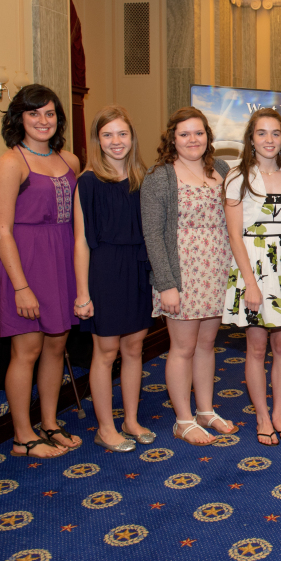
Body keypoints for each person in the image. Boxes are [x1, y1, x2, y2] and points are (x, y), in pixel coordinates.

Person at [0, 84, 82, 458]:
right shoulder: (11, 162)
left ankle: (49, 422)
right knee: (26, 350)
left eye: (49, 113)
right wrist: (21, 287)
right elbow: (1, 230)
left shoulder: (71, 161)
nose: (43, 121)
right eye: (34, 113)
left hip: (61, 259)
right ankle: (22, 436)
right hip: (26, 262)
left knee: (56, 346)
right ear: (19, 119)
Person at [141, 107, 237, 446]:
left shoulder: (221, 169)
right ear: (172, 139)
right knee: (182, 348)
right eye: (184, 134)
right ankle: (183, 419)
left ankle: (206, 410)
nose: (192, 139)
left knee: (207, 345)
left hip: (216, 268)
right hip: (181, 272)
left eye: (198, 133)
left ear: (207, 137)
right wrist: (166, 283)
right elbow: (152, 234)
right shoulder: (160, 177)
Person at [223, 108, 281, 446]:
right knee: (257, 347)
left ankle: (279, 414)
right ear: (251, 139)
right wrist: (250, 282)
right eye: (262, 133)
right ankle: (261, 416)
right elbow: (234, 235)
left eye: (275, 133)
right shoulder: (237, 177)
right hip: (254, 267)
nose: (269, 140)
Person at [73, 106, 156, 453]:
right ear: (98, 141)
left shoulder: (144, 178)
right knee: (105, 352)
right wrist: (82, 293)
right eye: (108, 135)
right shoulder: (87, 182)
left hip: (138, 266)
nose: (116, 141)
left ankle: (131, 420)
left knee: (134, 348)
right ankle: (105, 427)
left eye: (122, 134)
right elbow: (80, 241)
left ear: (132, 138)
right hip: (104, 269)